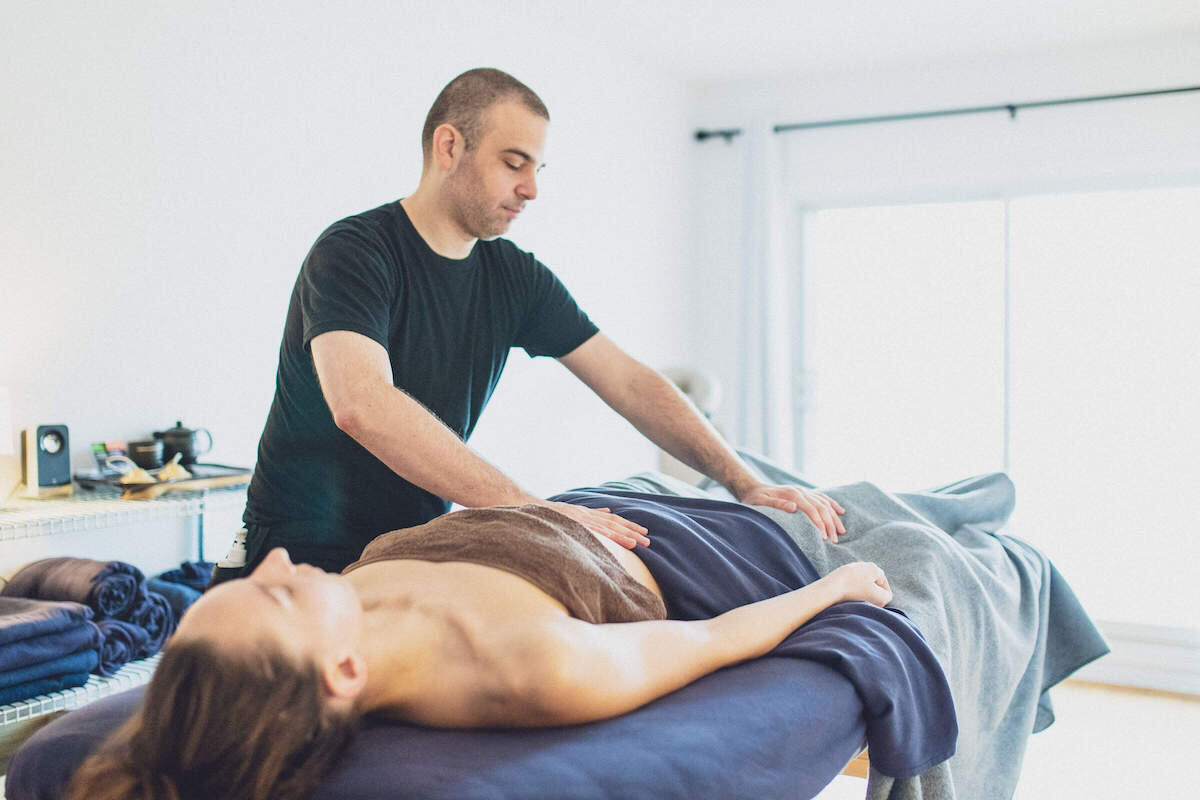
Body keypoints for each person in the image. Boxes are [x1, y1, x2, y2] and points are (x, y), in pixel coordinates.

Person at [228, 66, 846, 582]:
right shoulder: (356, 251)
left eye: (537, 170)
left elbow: (629, 381)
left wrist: (743, 481)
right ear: (449, 147)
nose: (530, 190)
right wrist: (534, 511)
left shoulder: (514, 278)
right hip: (293, 558)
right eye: (513, 162)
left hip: (408, 552)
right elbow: (363, 403)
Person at [70, 498, 899, 800]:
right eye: (279, 592)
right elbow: (712, 638)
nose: (280, 560)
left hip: (580, 506)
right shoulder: (533, 667)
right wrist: (837, 589)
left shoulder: (337, 617)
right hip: (683, 547)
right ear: (344, 672)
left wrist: (543, 508)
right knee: (876, 520)